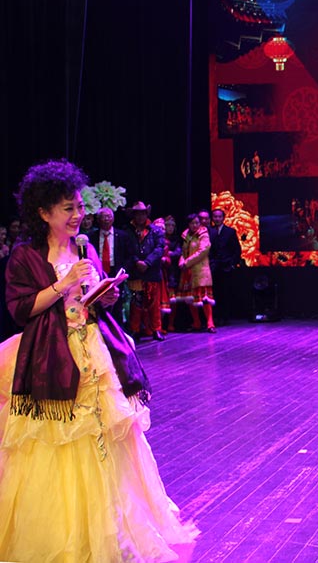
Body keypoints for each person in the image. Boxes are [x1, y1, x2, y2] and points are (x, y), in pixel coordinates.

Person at [0, 159, 197, 561]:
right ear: (44, 213)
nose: (78, 215)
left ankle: (112, 529)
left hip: (94, 350)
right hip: (51, 356)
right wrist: (64, 283)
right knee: (58, 441)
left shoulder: (85, 246)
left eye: (79, 206)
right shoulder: (26, 255)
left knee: (109, 437)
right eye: (68, 208)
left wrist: (105, 295)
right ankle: (63, 533)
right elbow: (22, 309)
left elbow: (88, 302)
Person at [89, 206, 136, 326]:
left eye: (109, 216)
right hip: (98, 274)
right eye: (103, 217)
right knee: (99, 303)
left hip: (115, 273)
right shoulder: (92, 236)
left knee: (117, 304)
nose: (106, 219)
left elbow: (131, 255)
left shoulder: (122, 236)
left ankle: (117, 330)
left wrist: (123, 270)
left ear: (113, 219)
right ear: (98, 220)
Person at [127, 202, 167, 342]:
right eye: (137, 214)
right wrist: (137, 261)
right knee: (136, 302)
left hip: (151, 271)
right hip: (135, 271)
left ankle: (156, 329)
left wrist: (148, 262)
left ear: (146, 214)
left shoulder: (156, 231)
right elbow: (127, 249)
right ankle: (135, 329)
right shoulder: (128, 231)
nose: (140, 216)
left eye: (143, 213)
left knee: (153, 302)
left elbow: (160, 248)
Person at [178, 213, 215, 332]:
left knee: (205, 298)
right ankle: (196, 323)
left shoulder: (203, 235)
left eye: (197, 223)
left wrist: (186, 262)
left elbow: (202, 251)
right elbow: (183, 252)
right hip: (188, 271)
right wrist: (181, 261)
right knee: (191, 298)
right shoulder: (186, 236)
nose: (195, 225)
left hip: (200, 270)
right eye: (192, 223)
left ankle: (210, 324)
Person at [207, 208, 241, 326]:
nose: (217, 219)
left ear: (223, 218)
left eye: (219, 216)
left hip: (226, 266)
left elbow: (236, 250)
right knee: (214, 292)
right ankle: (215, 317)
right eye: (215, 217)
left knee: (225, 292)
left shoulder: (230, 231)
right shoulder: (209, 231)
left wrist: (232, 264)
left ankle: (224, 316)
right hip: (213, 267)